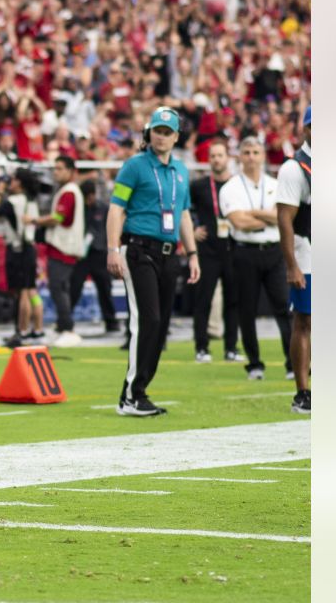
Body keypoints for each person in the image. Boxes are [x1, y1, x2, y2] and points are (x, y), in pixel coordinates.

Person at [106, 107, 200, 417]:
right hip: (139, 249)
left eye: (167, 131)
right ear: (149, 134)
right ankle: (132, 395)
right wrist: (112, 248)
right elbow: (117, 208)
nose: (161, 136)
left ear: (175, 137)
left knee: (160, 328)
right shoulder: (133, 166)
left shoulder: (181, 171)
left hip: (169, 252)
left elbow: (184, 213)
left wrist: (192, 253)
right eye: (156, 130)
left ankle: (138, 390)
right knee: (147, 320)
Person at [219, 137, 293, 381]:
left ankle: (293, 363)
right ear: (240, 156)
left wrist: (254, 213)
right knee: (246, 310)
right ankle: (254, 363)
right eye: (247, 152)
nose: (251, 157)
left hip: (274, 251)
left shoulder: (275, 184)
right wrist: (270, 217)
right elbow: (238, 221)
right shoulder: (231, 187)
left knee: (284, 308)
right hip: (245, 252)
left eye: (255, 152)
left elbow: (285, 217)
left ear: (263, 156)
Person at [187, 137, 243, 363]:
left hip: (232, 248)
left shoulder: (237, 185)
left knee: (233, 301)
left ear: (228, 158)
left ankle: (231, 348)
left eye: (220, 155)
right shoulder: (199, 185)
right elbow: (183, 208)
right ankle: (202, 347)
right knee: (203, 300)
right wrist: (192, 229)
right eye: (213, 156)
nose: (216, 160)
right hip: (207, 251)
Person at [28, 155, 85, 347]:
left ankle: (67, 328)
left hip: (63, 247)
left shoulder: (69, 192)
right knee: (60, 289)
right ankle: (63, 327)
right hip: (63, 246)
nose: (55, 172)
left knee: (58, 289)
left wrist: (35, 220)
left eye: (60, 168)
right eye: (55, 168)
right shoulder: (68, 191)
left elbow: (58, 218)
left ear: (71, 171)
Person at [276, 106, 311, 414]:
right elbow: (285, 219)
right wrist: (292, 264)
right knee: (306, 320)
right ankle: (302, 391)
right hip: (308, 252)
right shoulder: (294, 169)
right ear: (306, 130)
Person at [0, 170, 43, 347]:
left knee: (23, 292)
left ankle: (22, 331)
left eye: (13, 180)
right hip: (30, 248)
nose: (10, 182)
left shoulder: (13, 201)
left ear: (19, 183)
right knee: (31, 290)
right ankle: (37, 328)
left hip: (18, 249)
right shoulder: (31, 200)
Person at [69, 180, 120, 335]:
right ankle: (65, 321)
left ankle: (111, 321)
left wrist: (111, 248)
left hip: (100, 254)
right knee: (74, 288)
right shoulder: (78, 209)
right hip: (81, 255)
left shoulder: (104, 209)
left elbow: (111, 229)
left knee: (105, 288)